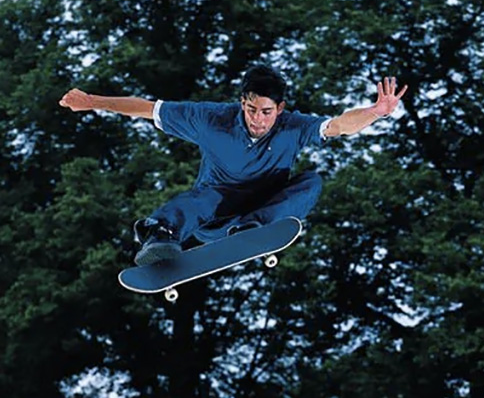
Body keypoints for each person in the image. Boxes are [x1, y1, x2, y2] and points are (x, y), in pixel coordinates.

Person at [59, 64, 408, 265]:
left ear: (281, 109)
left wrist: (375, 113)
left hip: (263, 208)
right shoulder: (211, 119)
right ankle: (159, 235)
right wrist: (92, 102)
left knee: (312, 182)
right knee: (202, 197)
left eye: (267, 112)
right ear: (242, 103)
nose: (258, 119)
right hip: (217, 211)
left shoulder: (295, 126)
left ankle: (254, 230)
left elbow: (337, 126)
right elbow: (147, 108)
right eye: (251, 109)